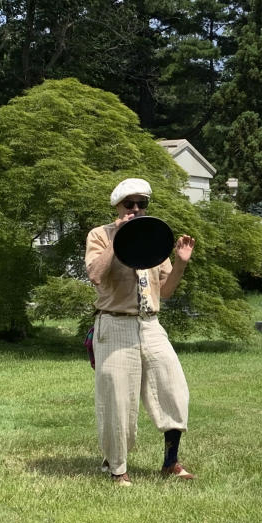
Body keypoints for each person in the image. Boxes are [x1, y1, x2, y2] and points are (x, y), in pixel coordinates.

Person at [84, 178, 196, 486]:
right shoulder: (99, 235)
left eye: (141, 204)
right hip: (114, 323)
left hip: (150, 324)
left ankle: (170, 462)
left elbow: (167, 291)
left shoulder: (152, 237)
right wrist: (118, 235)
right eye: (129, 204)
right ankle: (117, 468)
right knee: (118, 400)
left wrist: (180, 263)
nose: (135, 209)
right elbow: (95, 275)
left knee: (173, 388)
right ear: (117, 206)